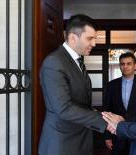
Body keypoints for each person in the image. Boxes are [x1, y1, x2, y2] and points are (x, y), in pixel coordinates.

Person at [38, 14, 107, 155]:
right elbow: (63, 108)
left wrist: (96, 112)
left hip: (79, 140)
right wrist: (105, 120)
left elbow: (80, 100)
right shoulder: (54, 62)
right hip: (62, 144)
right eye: (90, 38)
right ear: (73, 38)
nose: (94, 44)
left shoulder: (77, 60)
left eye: (95, 38)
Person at [103, 52, 136, 155]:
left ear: (135, 66)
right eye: (122, 64)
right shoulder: (111, 85)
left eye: (129, 63)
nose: (125, 66)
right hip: (117, 134)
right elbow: (107, 111)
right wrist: (107, 136)